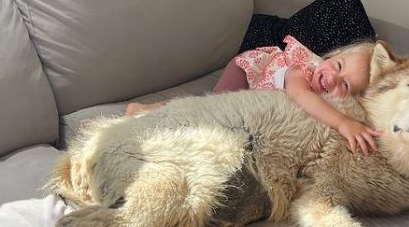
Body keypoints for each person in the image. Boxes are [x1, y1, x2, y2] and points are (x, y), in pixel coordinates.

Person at [125, 35, 381, 154]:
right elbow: (301, 97)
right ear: (332, 56)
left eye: (345, 86)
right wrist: (343, 123)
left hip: (259, 104)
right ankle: (146, 111)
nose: (333, 78)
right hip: (248, 72)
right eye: (337, 66)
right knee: (210, 110)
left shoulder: (327, 101)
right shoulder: (301, 73)